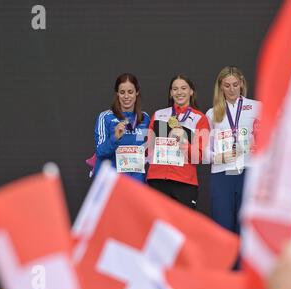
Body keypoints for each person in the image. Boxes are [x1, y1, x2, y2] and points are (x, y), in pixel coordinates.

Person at [206, 66, 262, 234]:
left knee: (244, 228)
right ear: (220, 87)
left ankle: (242, 262)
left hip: (248, 171)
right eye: (227, 85)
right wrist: (218, 157)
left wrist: (260, 147)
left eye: (235, 84)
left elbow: (271, 136)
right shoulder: (212, 113)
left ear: (242, 84)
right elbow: (204, 151)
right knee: (222, 228)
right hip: (222, 173)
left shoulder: (256, 107)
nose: (232, 89)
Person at [146, 74, 210, 209]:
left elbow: (197, 157)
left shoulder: (200, 119)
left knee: (182, 228)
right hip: (157, 180)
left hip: (184, 183)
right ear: (170, 93)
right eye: (175, 89)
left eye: (183, 88)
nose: (179, 92)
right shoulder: (158, 115)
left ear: (191, 91)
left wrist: (183, 141)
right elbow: (149, 151)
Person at [93, 73, 150, 182]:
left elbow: (148, 151)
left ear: (137, 92)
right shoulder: (105, 117)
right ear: (117, 93)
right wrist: (115, 138)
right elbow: (100, 152)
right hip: (112, 182)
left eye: (130, 92)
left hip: (136, 182)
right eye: (122, 92)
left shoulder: (144, 118)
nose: (126, 96)